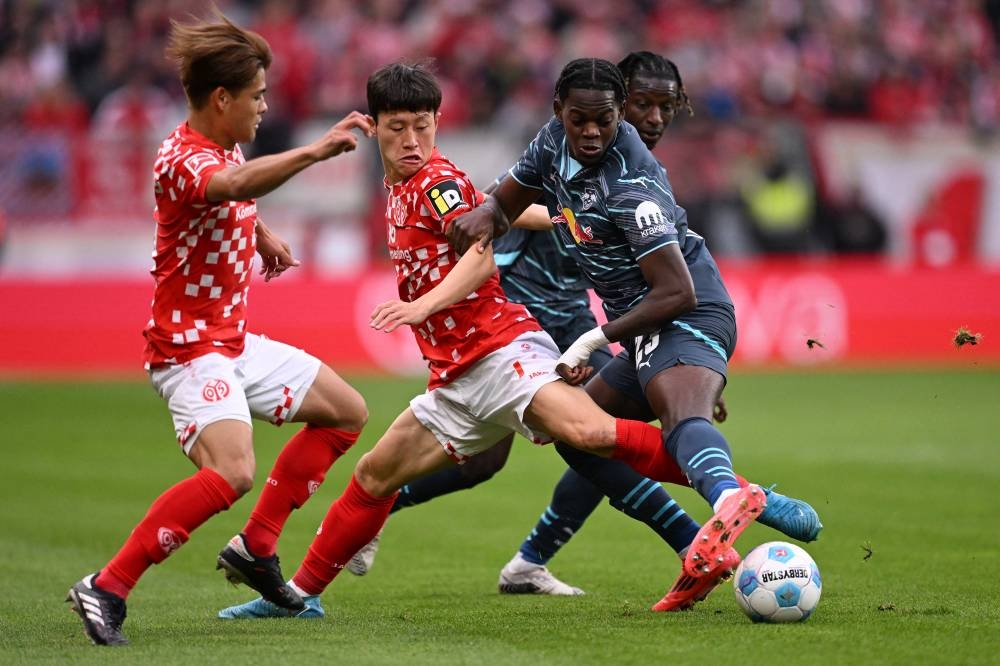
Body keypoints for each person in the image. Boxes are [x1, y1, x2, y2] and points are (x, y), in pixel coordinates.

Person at [215, 61, 714, 620]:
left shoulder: (437, 180)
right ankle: (299, 598)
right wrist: (556, 216)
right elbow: (493, 207)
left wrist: (421, 306)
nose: (411, 139)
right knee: (380, 474)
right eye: (398, 126)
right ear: (371, 126)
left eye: (422, 126)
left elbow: (478, 256)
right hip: (458, 369)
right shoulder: (416, 182)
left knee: (589, 435)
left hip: (504, 348)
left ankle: (732, 498)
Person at [347, 53, 821, 611]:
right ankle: (698, 524)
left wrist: (624, 349)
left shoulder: (634, 185)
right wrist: (481, 218)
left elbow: (674, 291)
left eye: (662, 107)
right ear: (567, 111)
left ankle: (691, 530)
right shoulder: (557, 147)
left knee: (607, 429)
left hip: (617, 322)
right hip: (529, 323)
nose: (652, 117)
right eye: (642, 103)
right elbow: (507, 205)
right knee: (551, 443)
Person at [65, 12, 373, 647]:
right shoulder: (180, 157)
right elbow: (225, 185)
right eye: (257, 95)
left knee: (346, 411)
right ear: (221, 98)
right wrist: (315, 150)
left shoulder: (224, 144)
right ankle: (108, 585)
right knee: (232, 472)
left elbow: (232, 192)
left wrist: (262, 236)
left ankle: (257, 547)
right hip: (187, 350)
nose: (265, 106)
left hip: (232, 340)